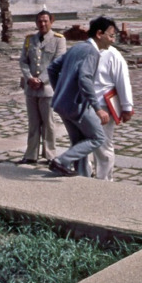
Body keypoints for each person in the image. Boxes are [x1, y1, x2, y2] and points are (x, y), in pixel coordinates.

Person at [46, 16, 117, 177]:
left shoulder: (77, 47)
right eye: (111, 35)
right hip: (77, 106)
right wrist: (98, 109)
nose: (112, 40)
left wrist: (61, 91)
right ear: (100, 34)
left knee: (79, 143)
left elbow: (52, 68)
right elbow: (84, 79)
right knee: (98, 138)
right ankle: (61, 161)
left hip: (62, 104)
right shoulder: (92, 52)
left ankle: (81, 178)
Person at [18, 9, 67, 164]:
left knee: (48, 123)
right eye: (40, 21)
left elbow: (57, 62)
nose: (42, 24)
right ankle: (31, 154)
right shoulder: (29, 39)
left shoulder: (59, 40)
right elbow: (24, 61)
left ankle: (50, 155)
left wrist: (41, 80)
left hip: (47, 89)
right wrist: (29, 78)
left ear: (51, 22)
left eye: (46, 21)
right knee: (33, 123)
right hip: (31, 88)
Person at [91, 45, 134, 181]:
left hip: (103, 106)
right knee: (84, 143)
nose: (111, 39)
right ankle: (85, 175)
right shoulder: (84, 50)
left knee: (103, 145)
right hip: (85, 104)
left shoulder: (113, 55)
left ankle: (104, 178)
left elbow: (123, 81)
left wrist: (127, 107)